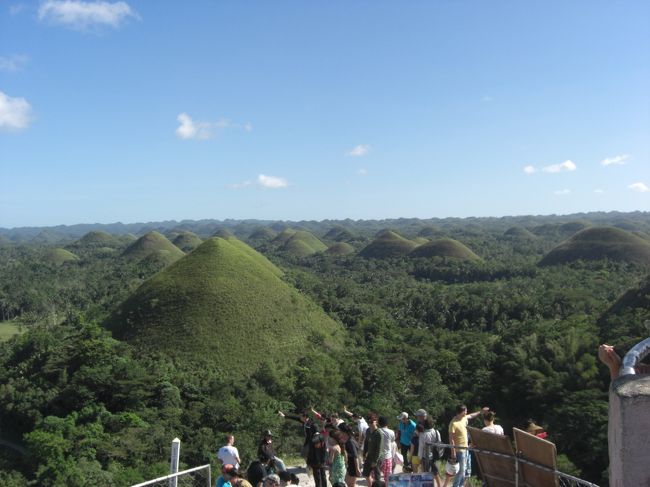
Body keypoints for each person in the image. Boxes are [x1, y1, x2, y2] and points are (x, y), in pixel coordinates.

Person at [448, 405, 489, 487]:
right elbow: (451, 439)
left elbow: (471, 415)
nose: (466, 412)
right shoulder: (453, 423)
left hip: (466, 449)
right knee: (461, 471)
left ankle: (461, 485)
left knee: (466, 471)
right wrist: (453, 452)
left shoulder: (464, 418)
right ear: (461, 412)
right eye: (465, 411)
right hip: (459, 450)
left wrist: (481, 412)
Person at [419, 417, 442, 487]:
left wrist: (419, 457)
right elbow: (439, 442)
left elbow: (421, 447)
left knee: (426, 474)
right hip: (435, 456)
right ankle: (439, 485)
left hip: (425, 457)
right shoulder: (436, 432)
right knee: (435, 472)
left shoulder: (423, 434)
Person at [362, 415, 381, 487]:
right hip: (369, 456)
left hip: (376, 457)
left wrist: (375, 461)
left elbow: (379, 448)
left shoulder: (378, 433)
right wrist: (364, 454)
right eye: (369, 422)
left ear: (376, 422)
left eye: (372, 422)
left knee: (377, 477)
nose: (370, 424)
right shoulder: (367, 431)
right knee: (366, 474)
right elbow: (366, 443)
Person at [376, 416, 395, 483]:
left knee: (376, 477)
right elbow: (392, 441)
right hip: (387, 457)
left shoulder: (376, 431)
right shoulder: (391, 432)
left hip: (377, 457)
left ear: (379, 423)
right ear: (387, 423)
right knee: (387, 478)